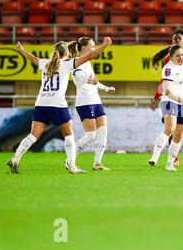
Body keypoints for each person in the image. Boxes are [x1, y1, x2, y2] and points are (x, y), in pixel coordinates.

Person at [7, 37, 113, 174]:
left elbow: (32, 58)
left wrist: (21, 50)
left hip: (41, 104)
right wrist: (104, 45)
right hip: (57, 105)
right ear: (66, 54)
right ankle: (72, 166)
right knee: (69, 134)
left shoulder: (45, 63)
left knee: (33, 135)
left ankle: (15, 158)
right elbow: (90, 56)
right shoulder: (66, 64)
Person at [150, 28, 183, 167]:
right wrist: (156, 97)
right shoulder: (169, 62)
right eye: (174, 39)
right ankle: (172, 160)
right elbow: (164, 83)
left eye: (179, 38)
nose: (177, 41)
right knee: (171, 128)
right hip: (173, 99)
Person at [66, 37, 116, 171]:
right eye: (92, 46)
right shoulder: (77, 63)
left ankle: (97, 163)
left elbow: (93, 80)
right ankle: (69, 160)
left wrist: (106, 88)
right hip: (85, 102)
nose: (94, 49)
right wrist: (89, 81)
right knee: (90, 135)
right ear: (84, 48)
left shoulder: (88, 63)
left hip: (96, 101)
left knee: (103, 132)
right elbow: (78, 75)